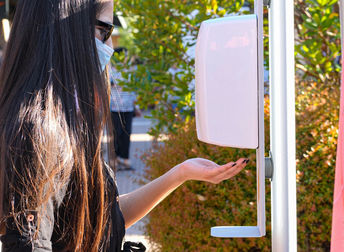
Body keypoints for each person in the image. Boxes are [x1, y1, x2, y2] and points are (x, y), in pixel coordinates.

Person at [0, 1, 249, 251]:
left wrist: (181, 173)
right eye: (104, 31)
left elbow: (103, 220)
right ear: (64, 30)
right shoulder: (35, 134)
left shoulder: (68, 118)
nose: (109, 47)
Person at [110, 57, 138, 170]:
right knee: (116, 134)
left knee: (127, 134)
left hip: (128, 108)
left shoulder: (131, 73)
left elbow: (135, 90)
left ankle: (125, 159)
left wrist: (137, 107)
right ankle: (115, 160)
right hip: (115, 108)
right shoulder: (110, 71)